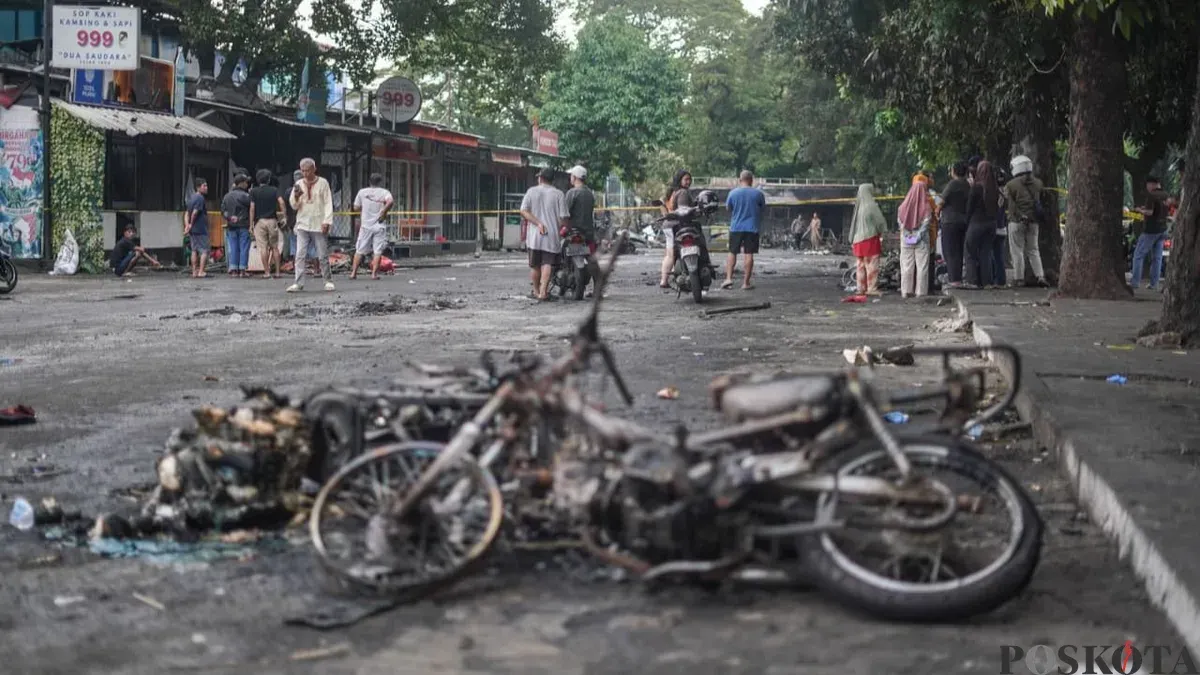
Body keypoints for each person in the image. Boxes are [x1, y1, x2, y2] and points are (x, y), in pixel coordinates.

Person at [286, 158, 335, 293]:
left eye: (307, 170)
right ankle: (298, 283)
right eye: (303, 171)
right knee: (300, 254)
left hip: (319, 223)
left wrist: (327, 221)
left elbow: (328, 203)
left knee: (322, 254)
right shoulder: (299, 184)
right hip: (303, 223)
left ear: (314, 169)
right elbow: (294, 205)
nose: (305, 173)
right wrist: (296, 197)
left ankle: (328, 280)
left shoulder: (323, 183)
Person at [520, 167, 568, 301]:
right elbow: (563, 218)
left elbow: (523, 211)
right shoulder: (559, 194)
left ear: (540, 178)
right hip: (551, 235)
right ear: (553, 180)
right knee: (547, 263)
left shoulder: (531, 191)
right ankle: (543, 292)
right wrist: (560, 226)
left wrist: (538, 223)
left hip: (534, 236)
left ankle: (536, 292)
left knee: (535, 265)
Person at [1003, 155, 1048, 288]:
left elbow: (1011, 205)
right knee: (1034, 249)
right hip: (1034, 222)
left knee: (1017, 251)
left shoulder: (1011, 185)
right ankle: (1040, 276)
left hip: (1017, 222)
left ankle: (1019, 278)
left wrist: (1020, 216)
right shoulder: (1039, 183)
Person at [722, 170, 766, 291]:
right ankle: (746, 283)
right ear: (751, 180)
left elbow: (728, 208)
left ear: (740, 180)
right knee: (749, 253)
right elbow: (762, 209)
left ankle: (728, 279)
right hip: (752, 228)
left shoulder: (733, 193)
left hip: (736, 227)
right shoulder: (758, 194)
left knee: (732, 252)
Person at [350, 173, 394, 280]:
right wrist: (384, 210)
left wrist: (365, 208)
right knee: (377, 251)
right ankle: (374, 274)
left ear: (369, 181)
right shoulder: (384, 192)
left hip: (366, 225)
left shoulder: (362, 192)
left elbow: (356, 207)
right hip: (379, 225)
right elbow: (390, 201)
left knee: (359, 249)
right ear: (380, 182)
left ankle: (353, 273)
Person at [964, 160, 1000, 289]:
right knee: (986, 253)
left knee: (970, 252)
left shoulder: (976, 188)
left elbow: (969, 208)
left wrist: (967, 222)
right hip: (991, 224)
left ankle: (972, 281)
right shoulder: (995, 188)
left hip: (976, 223)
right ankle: (987, 282)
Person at [848, 183, 888, 296]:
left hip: (857, 241)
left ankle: (861, 288)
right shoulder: (871, 206)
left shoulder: (858, 207)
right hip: (869, 239)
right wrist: (882, 231)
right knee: (872, 266)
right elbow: (880, 222)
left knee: (860, 266)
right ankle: (871, 288)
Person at [897, 174, 933, 298]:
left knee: (907, 266)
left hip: (906, 240)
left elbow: (901, 224)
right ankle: (921, 292)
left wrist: (908, 237)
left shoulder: (902, 207)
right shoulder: (927, 207)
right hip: (921, 241)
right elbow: (926, 225)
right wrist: (917, 237)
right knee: (922, 267)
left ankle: (906, 291)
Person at [1132, 176, 1170, 291]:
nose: (1147, 187)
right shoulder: (1166, 195)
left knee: (1138, 255)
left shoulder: (1151, 195)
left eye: (1147, 185)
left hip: (1151, 230)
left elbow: (1150, 212)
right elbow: (1160, 209)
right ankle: (1154, 284)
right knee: (1157, 258)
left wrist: (1140, 210)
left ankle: (1135, 282)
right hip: (1163, 229)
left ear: (1151, 184)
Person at [938, 162, 971, 287]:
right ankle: (958, 279)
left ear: (954, 171)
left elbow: (941, 202)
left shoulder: (953, 184)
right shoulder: (967, 184)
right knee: (959, 251)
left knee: (950, 251)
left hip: (950, 222)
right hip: (963, 221)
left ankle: (953, 280)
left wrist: (936, 212)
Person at [659, 170, 692, 288]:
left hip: (668, 225)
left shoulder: (672, 191)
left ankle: (664, 280)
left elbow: (665, 206)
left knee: (670, 254)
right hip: (674, 225)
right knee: (671, 255)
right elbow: (683, 210)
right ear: (679, 180)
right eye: (686, 179)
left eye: (689, 179)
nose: (688, 182)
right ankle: (664, 280)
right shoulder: (682, 192)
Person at [249, 169, 285, 279]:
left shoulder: (253, 191)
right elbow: (281, 202)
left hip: (259, 222)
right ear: (269, 180)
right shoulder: (274, 190)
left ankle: (267, 272)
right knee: (275, 247)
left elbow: (252, 208)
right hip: (272, 221)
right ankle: (277, 272)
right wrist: (284, 216)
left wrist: (251, 224)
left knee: (263, 248)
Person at [221, 174, 253, 278]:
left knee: (233, 247)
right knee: (244, 247)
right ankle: (242, 270)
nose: (247, 184)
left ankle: (234, 270)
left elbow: (223, 211)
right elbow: (252, 208)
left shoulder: (227, 196)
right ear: (242, 183)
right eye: (246, 182)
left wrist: (230, 218)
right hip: (244, 225)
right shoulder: (246, 196)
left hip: (231, 225)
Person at [565, 165, 596, 252]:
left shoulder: (572, 193)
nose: (570, 178)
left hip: (574, 232)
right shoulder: (590, 193)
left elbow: (565, 213)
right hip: (589, 233)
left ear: (574, 177)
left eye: (571, 175)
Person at [184, 178, 210, 279]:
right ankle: (201, 271)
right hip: (200, 229)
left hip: (193, 230)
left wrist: (187, 225)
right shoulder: (200, 198)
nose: (206, 188)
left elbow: (187, 213)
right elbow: (194, 213)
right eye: (204, 186)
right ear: (198, 187)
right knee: (204, 250)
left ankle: (194, 272)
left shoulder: (192, 198)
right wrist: (191, 224)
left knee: (194, 250)